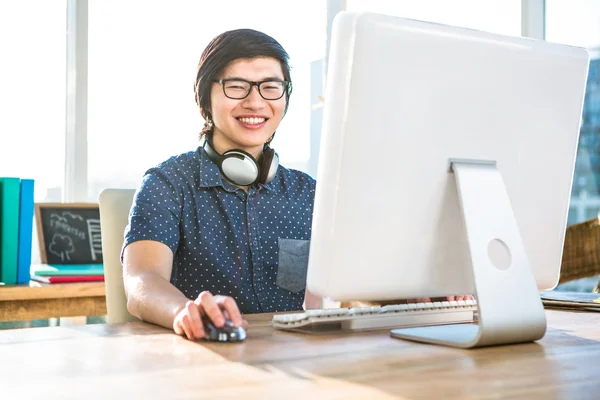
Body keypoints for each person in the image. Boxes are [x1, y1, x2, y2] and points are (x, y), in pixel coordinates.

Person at [121, 28, 317, 341]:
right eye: (236, 87)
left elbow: (339, 287)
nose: (255, 102)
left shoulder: (309, 194)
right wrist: (183, 311)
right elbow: (142, 280)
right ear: (205, 97)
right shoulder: (168, 183)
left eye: (271, 87)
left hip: (295, 360)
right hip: (204, 359)